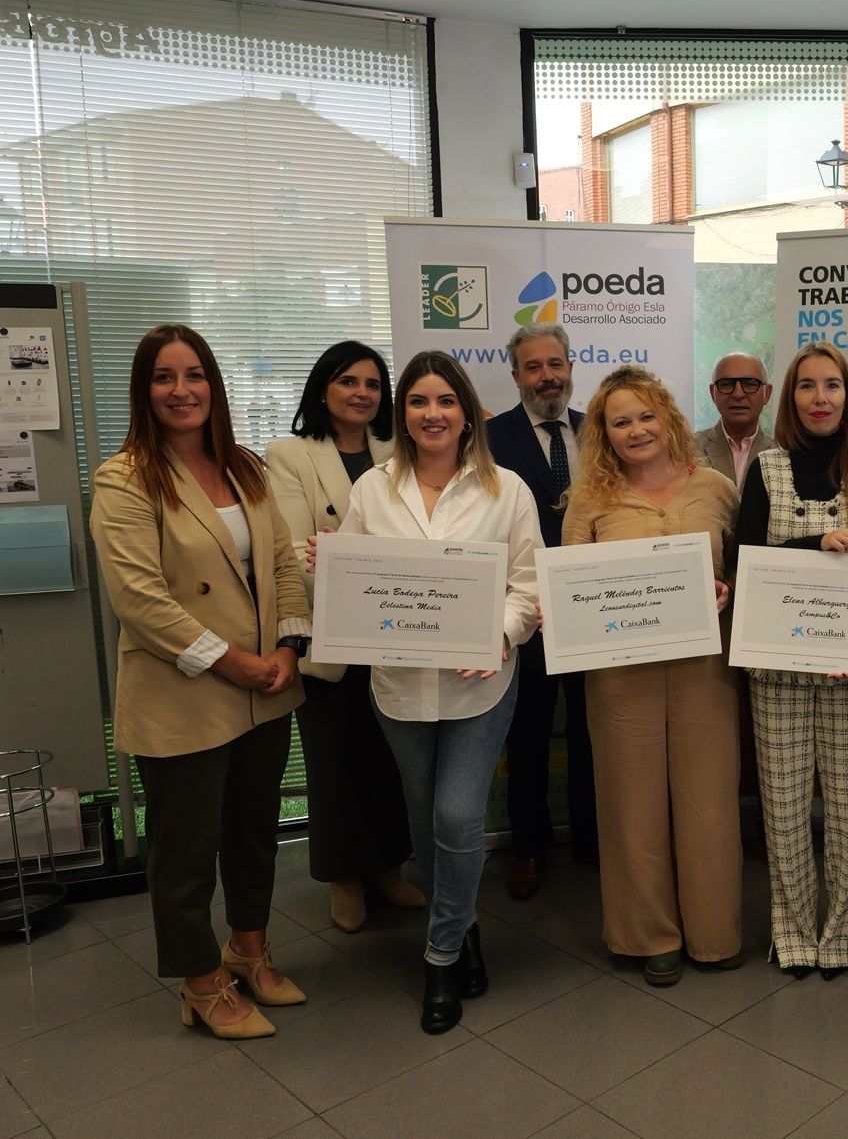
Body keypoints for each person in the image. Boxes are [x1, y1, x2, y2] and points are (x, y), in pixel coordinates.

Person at [313, 350, 541, 1034]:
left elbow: (527, 586)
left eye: (446, 401)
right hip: (401, 688)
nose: (432, 414)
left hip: (482, 684)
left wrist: (500, 633)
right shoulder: (373, 491)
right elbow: (352, 580)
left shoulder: (509, 491)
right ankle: (465, 924)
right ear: (402, 414)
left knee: (456, 816)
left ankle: (439, 957)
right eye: (418, 402)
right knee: (421, 822)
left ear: (468, 412)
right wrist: (328, 568)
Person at [91, 324, 309, 1040]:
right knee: (185, 853)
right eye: (163, 378)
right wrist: (233, 660)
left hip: (264, 685)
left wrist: (288, 645)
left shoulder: (245, 467)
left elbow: (281, 565)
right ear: (144, 391)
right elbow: (140, 600)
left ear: (214, 385)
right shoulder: (124, 477)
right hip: (186, 692)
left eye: (193, 375)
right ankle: (199, 983)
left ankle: (248, 952)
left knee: (253, 835)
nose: (180, 391)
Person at [563, 365, 744, 987]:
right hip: (620, 678)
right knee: (630, 807)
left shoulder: (718, 488)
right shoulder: (589, 499)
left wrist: (727, 591)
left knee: (710, 802)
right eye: (620, 422)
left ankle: (714, 934)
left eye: (646, 416)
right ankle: (650, 935)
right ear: (604, 434)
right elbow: (568, 591)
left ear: (667, 419)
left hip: (705, 670)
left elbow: (746, 575)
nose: (637, 430)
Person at [735, 343, 848, 979]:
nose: (821, 398)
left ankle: (842, 932)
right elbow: (746, 563)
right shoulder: (767, 470)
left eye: (832, 386)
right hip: (776, 671)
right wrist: (814, 542)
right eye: (807, 386)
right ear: (791, 397)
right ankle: (794, 931)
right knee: (781, 808)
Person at [266, 342, 422, 934]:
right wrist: (359, 567)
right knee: (336, 764)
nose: (362, 393)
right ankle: (344, 879)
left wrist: (350, 556)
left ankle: (389, 869)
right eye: (348, 381)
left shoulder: (398, 449)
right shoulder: (289, 454)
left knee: (390, 762)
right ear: (323, 389)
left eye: (373, 384)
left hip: (399, 632)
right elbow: (293, 550)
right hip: (332, 638)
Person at [486, 322, 597, 900]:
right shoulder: (486, 437)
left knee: (589, 729)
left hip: (591, 608)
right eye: (533, 367)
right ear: (515, 376)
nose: (547, 376)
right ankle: (528, 847)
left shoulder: (596, 433)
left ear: (571, 368)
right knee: (525, 733)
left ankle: (591, 838)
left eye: (556, 364)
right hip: (523, 609)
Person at [695, 351, 775, 493]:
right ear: (713, 393)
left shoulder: (782, 454)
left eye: (750, 384)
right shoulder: (688, 450)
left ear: (767, 393)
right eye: (726, 384)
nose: (738, 394)